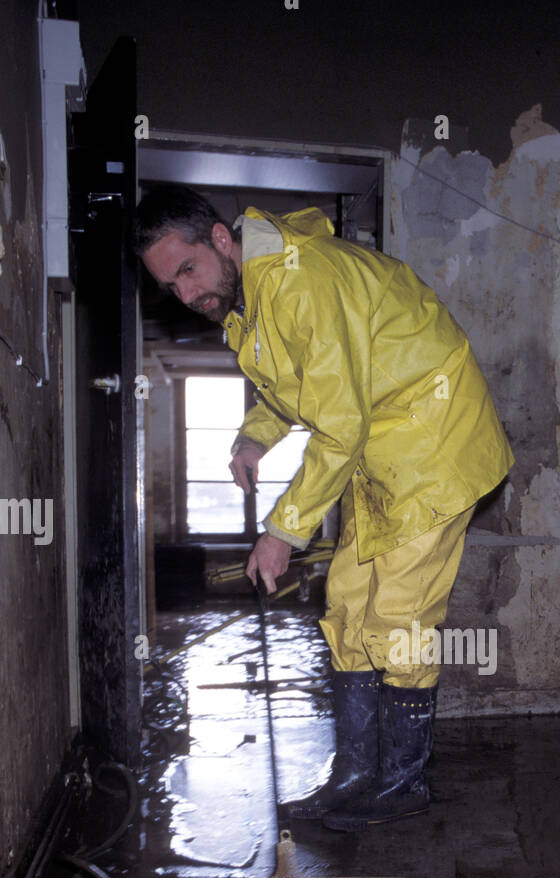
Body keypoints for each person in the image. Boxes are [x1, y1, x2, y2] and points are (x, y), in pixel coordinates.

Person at [132, 185, 514, 829]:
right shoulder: (251, 300)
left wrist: (283, 531)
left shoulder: (303, 281)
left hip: (432, 440)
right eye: (171, 286)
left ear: (220, 240)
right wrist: (256, 435)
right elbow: (299, 388)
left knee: (398, 616)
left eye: (187, 270)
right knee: (346, 607)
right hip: (381, 450)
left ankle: (402, 783)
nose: (186, 294)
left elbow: (338, 419)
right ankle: (356, 775)